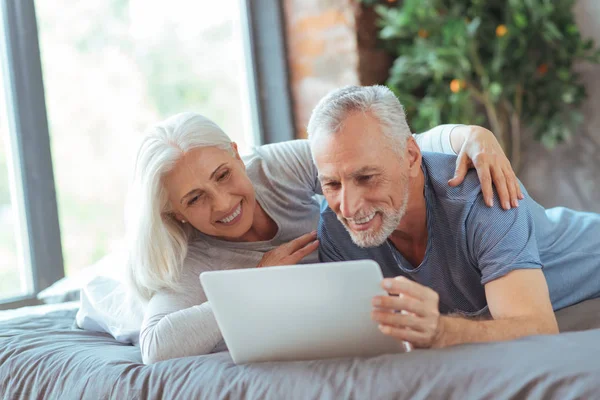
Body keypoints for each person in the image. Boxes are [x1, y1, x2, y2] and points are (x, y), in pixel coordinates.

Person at [126, 111, 520, 364]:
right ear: (176, 213)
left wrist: (470, 134)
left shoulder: (275, 170)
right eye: (195, 199)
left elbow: (389, 149)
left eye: (223, 175)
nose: (223, 202)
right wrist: (251, 285)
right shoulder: (191, 256)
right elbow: (155, 347)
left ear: (235, 154)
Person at [309, 85, 600, 350]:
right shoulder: (335, 228)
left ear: (410, 156)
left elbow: (537, 329)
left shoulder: (482, 198)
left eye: (367, 177)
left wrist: (441, 331)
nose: (347, 208)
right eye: (332, 184)